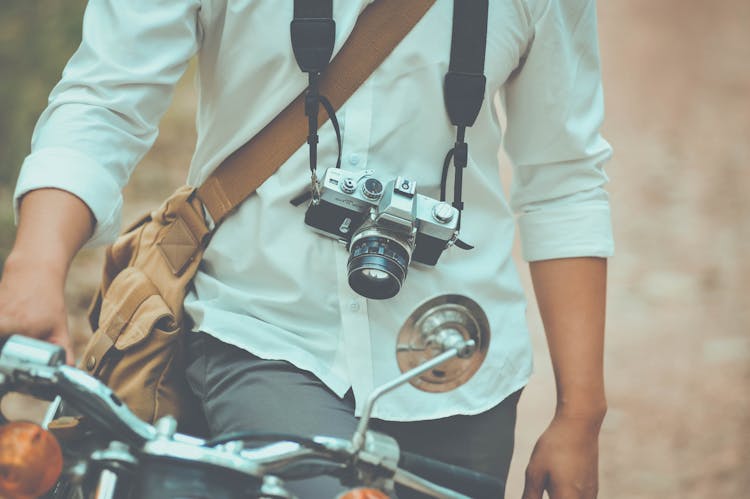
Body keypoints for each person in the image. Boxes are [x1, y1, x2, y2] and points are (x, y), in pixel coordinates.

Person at [0, 1, 612, 497]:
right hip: (266, 335)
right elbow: (105, 99)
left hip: (458, 367)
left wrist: (580, 414)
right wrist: (35, 263)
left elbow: (565, 177)